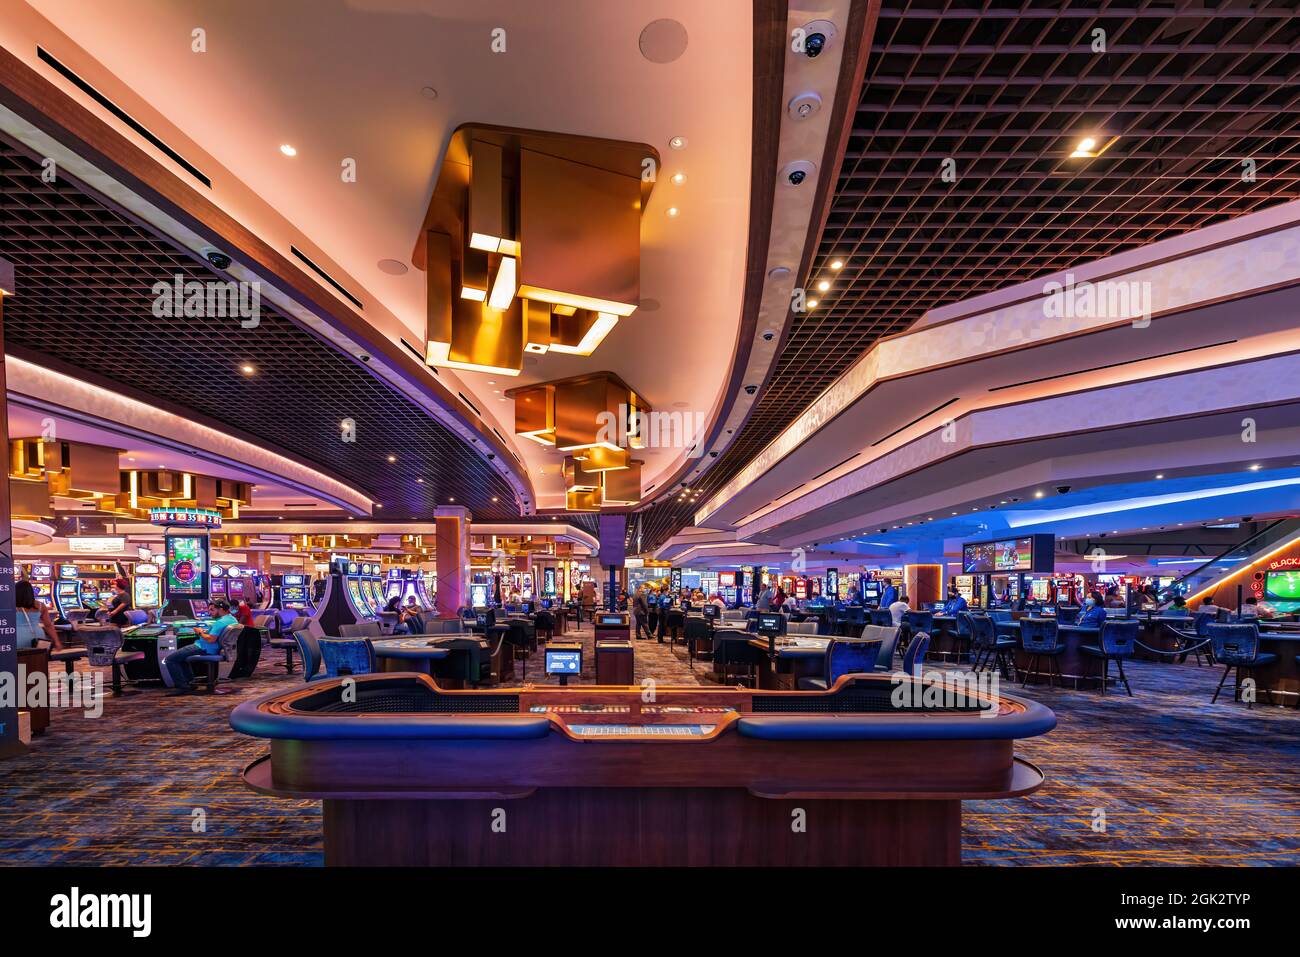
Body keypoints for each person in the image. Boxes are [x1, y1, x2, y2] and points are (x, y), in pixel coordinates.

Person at [163, 598, 237, 694]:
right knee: (181, 658)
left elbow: (211, 639)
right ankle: (190, 683)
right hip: (212, 647)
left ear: (221, 609)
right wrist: (205, 632)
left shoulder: (220, 622)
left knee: (170, 659)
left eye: (212, 610)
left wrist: (200, 632)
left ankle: (183, 687)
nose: (210, 613)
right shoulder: (232, 619)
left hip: (204, 647)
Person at [15, 580, 62, 649]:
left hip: (18, 636)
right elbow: (48, 625)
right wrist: (57, 641)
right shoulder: (40, 605)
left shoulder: (11, 606)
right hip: (38, 636)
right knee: (38, 658)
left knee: (20, 659)